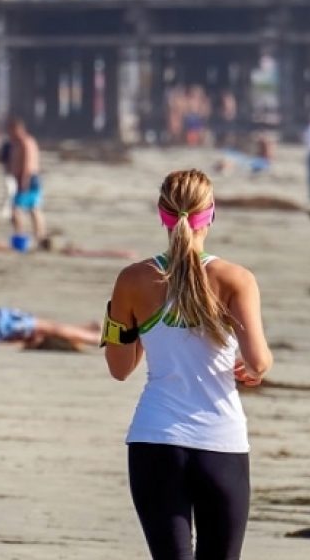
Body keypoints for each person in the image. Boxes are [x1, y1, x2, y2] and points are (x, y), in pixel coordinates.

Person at [102, 169, 273, 560]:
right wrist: (257, 369)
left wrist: (127, 320)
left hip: (155, 440)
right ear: (210, 214)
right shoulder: (236, 279)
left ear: (162, 215)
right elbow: (258, 359)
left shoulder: (131, 279)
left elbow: (119, 367)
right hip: (221, 443)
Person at [7, 117, 47, 247]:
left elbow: (27, 163)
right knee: (34, 208)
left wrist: (23, 181)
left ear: (18, 129)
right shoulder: (23, 142)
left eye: (11, 131)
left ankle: (20, 236)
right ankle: (41, 237)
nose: (10, 135)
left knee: (15, 209)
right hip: (32, 178)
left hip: (28, 178)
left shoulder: (25, 143)